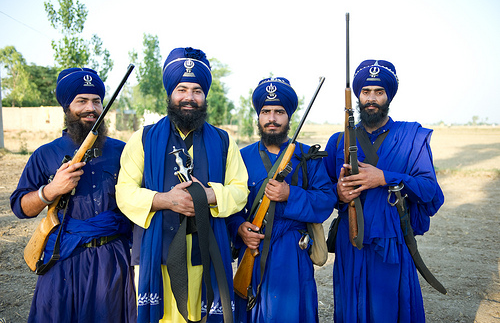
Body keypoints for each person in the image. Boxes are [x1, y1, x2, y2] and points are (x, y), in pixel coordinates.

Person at [115, 47, 248, 323]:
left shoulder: (223, 142)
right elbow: (124, 191)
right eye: (182, 89)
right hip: (157, 254)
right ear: (170, 93)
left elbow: (240, 190)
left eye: (197, 90)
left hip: (206, 252)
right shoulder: (143, 139)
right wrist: (165, 200)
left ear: (205, 96)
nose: (189, 97)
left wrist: (210, 195)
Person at [10, 68, 136, 322]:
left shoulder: (124, 151)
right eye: (82, 101)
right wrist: (51, 190)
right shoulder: (45, 154)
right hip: (62, 259)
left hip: (111, 263)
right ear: (67, 107)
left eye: (96, 101)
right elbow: (20, 207)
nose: (91, 108)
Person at [323, 59, 445, 322]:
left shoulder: (411, 136)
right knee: (351, 305)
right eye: (366, 92)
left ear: (389, 96)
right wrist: (339, 194)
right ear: (357, 95)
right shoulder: (338, 141)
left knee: (388, 309)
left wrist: (383, 178)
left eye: (379, 92)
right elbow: (325, 193)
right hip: (350, 238)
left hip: (391, 237)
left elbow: (429, 190)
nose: (371, 99)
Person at [226, 77, 336, 323]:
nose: (272, 118)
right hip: (253, 247)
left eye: (279, 112)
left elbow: (326, 200)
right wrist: (239, 229)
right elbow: (229, 205)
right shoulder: (240, 157)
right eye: (265, 112)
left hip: (292, 252)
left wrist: (290, 195)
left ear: (289, 118)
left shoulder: (308, 157)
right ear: (258, 116)